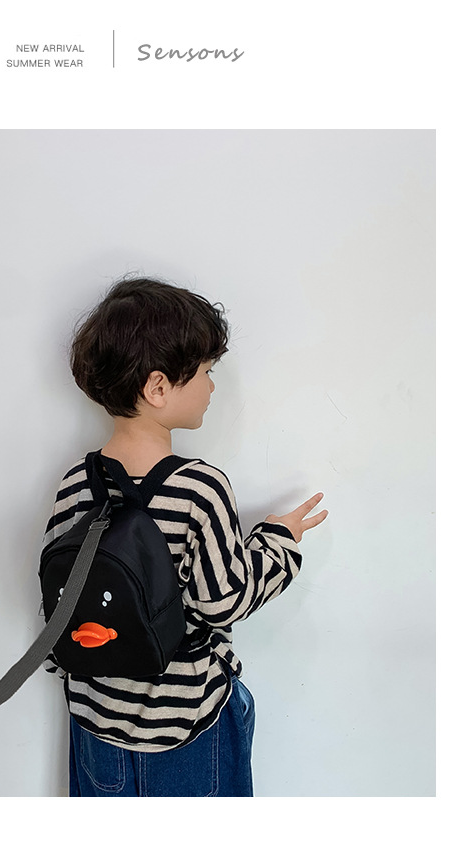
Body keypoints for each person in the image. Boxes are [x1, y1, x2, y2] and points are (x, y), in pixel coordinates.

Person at [42, 276, 328, 797]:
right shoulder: (198, 487)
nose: (212, 387)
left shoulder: (75, 482)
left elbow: (57, 601)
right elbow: (223, 601)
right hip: (187, 728)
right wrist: (279, 542)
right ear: (158, 388)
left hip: (95, 723)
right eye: (205, 372)